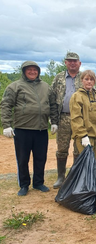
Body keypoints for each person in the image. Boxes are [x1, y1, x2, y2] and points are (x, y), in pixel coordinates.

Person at [1, 61, 58, 196]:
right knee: (22, 159)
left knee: (40, 158)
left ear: (38, 71)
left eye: (35, 69)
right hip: (22, 129)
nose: (32, 72)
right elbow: (6, 106)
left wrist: (54, 121)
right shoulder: (15, 86)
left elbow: (53, 105)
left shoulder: (46, 87)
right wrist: (7, 125)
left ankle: (38, 182)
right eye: (29, 70)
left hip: (41, 129)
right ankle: (24, 185)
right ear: (24, 71)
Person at [51, 52, 82, 189]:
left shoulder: (85, 77)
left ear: (79, 63)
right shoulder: (59, 78)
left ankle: (74, 177)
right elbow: (52, 98)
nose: (72, 63)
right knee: (62, 148)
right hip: (63, 116)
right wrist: (54, 121)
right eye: (69, 61)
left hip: (79, 118)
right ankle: (60, 176)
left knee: (78, 149)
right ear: (65, 63)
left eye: (75, 61)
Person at [70, 70, 96, 161]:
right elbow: (76, 118)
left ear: (94, 81)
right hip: (85, 136)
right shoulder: (77, 96)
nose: (89, 81)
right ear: (82, 80)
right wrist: (83, 135)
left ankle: (94, 176)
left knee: (95, 161)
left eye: (91, 79)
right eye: (86, 79)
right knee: (85, 163)